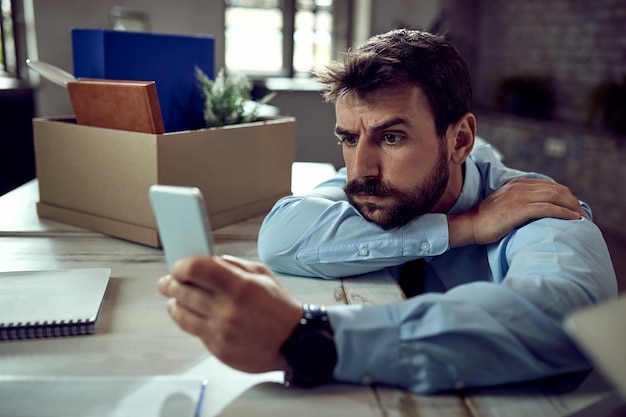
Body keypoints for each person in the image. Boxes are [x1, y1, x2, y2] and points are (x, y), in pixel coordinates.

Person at [157, 29, 617, 393]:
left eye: (391, 137)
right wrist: (464, 228)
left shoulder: (537, 208)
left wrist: (308, 337)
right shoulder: (379, 187)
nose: (360, 169)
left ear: (459, 140)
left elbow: (565, 318)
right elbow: (281, 235)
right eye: (349, 139)